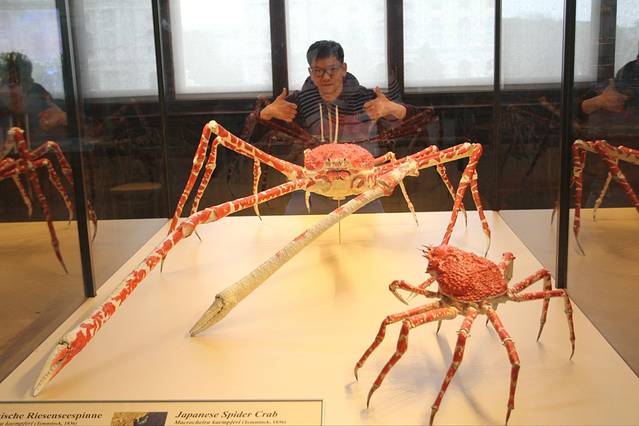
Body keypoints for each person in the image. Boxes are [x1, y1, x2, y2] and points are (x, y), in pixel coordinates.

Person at [257, 40, 421, 214]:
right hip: (311, 187)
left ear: (343, 68)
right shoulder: (297, 104)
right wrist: (265, 115)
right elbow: (253, 140)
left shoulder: (367, 100)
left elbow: (422, 119)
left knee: (370, 230)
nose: (326, 77)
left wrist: (397, 109)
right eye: (318, 71)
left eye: (332, 69)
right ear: (310, 72)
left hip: (362, 187)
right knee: (295, 225)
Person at [0, 51, 67, 146]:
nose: (17, 91)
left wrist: (63, 118)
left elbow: (85, 127)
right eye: (7, 83)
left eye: (23, 82)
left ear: (30, 83)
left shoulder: (46, 103)